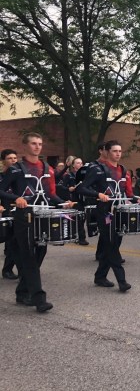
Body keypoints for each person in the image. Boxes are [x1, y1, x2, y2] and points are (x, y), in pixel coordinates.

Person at [0, 133, 76, 312]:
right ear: (25, 146)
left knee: (39, 253)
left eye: (40, 144)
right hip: (23, 215)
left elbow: (50, 193)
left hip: (43, 214)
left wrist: (62, 202)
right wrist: (16, 198)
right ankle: (39, 299)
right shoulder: (16, 168)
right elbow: (1, 191)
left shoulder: (46, 167)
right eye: (33, 144)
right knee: (28, 256)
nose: (37, 147)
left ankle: (21, 292)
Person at [78, 140, 140, 292]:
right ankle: (122, 281)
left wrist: (137, 198)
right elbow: (82, 188)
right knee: (111, 244)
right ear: (107, 152)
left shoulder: (123, 170)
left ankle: (100, 276)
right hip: (104, 210)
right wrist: (98, 194)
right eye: (115, 151)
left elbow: (128, 193)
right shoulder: (97, 169)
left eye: (120, 151)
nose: (118, 154)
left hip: (119, 210)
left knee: (113, 244)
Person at [57, 157, 89, 246]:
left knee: (82, 218)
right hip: (72, 199)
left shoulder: (84, 176)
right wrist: (68, 188)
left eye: (81, 163)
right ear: (73, 165)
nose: (80, 165)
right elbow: (60, 186)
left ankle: (80, 237)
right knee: (72, 218)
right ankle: (72, 237)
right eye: (78, 163)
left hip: (81, 199)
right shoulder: (69, 175)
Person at [1, 148, 19, 280]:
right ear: (3, 161)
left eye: (15, 158)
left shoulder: (19, 173)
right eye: (10, 158)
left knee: (17, 240)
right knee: (11, 240)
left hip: (19, 208)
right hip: (5, 209)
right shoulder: (2, 176)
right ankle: (7, 269)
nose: (13, 161)